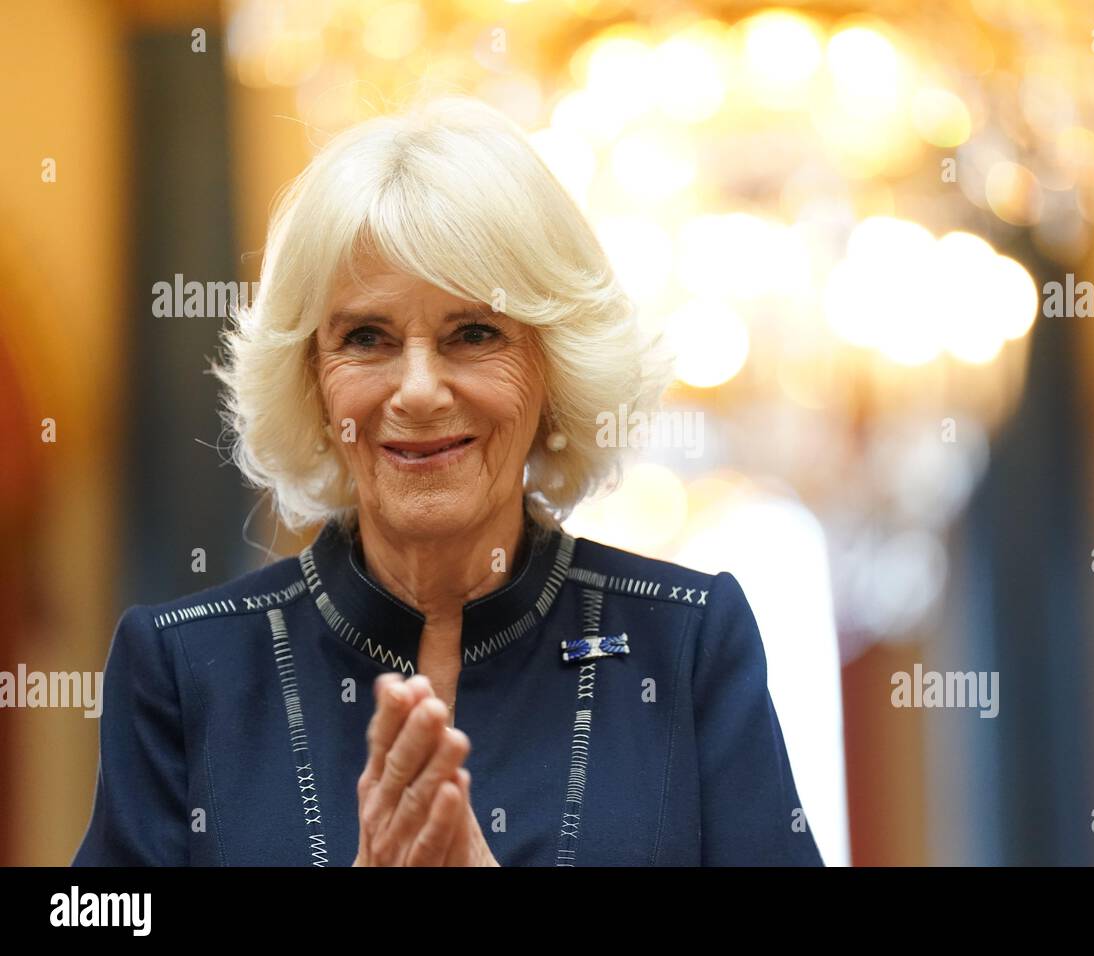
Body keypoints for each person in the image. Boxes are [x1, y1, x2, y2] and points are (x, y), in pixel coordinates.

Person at [72, 95, 823, 867]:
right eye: (367, 337)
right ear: (313, 382)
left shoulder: (689, 645)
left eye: (474, 334)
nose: (420, 390)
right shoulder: (182, 667)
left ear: (553, 368)